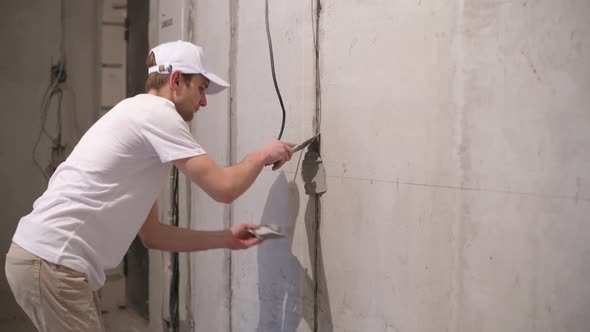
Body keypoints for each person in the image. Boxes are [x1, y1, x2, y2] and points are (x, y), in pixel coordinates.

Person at [5, 40, 294, 331]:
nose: (204, 102)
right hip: (53, 262)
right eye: (202, 89)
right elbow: (224, 188)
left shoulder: (138, 117)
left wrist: (226, 238)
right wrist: (261, 155)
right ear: (176, 80)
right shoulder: (158, 115)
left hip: (50, 261)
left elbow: (153, 235)